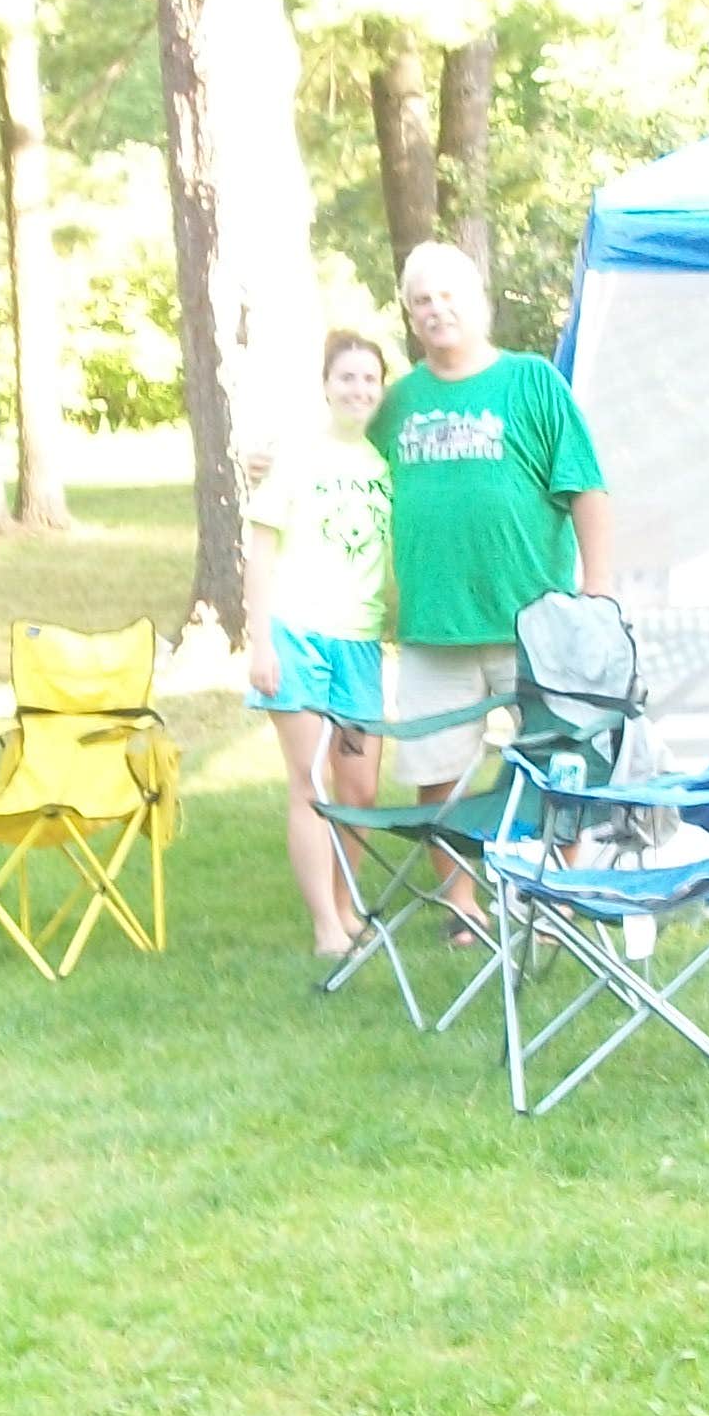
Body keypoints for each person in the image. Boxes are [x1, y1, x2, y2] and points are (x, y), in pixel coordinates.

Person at [373, 241, 613, 920]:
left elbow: (586, 486)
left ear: (477, 302)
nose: (436, 310)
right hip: (434, 625)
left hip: (532, 622)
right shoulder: (397, 403)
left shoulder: (532, 382)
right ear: (410, 315)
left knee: (559, 764)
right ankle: (462, 905)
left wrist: (598, 590)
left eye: (448, 295)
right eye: (422, 300)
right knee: (436, 771)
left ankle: (558, 898)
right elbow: (339, 465)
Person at [245, 332, 395, 958]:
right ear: (326, 386)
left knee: (359, 787)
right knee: (310, 782)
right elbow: (260, 550)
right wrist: (260, 642)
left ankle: (345, 902)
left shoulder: (386, 464)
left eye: (369, 379)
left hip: (360, 645)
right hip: (299, 637)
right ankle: (325, 925)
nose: (358, 389)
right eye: (346, 377)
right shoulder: (296, 457)